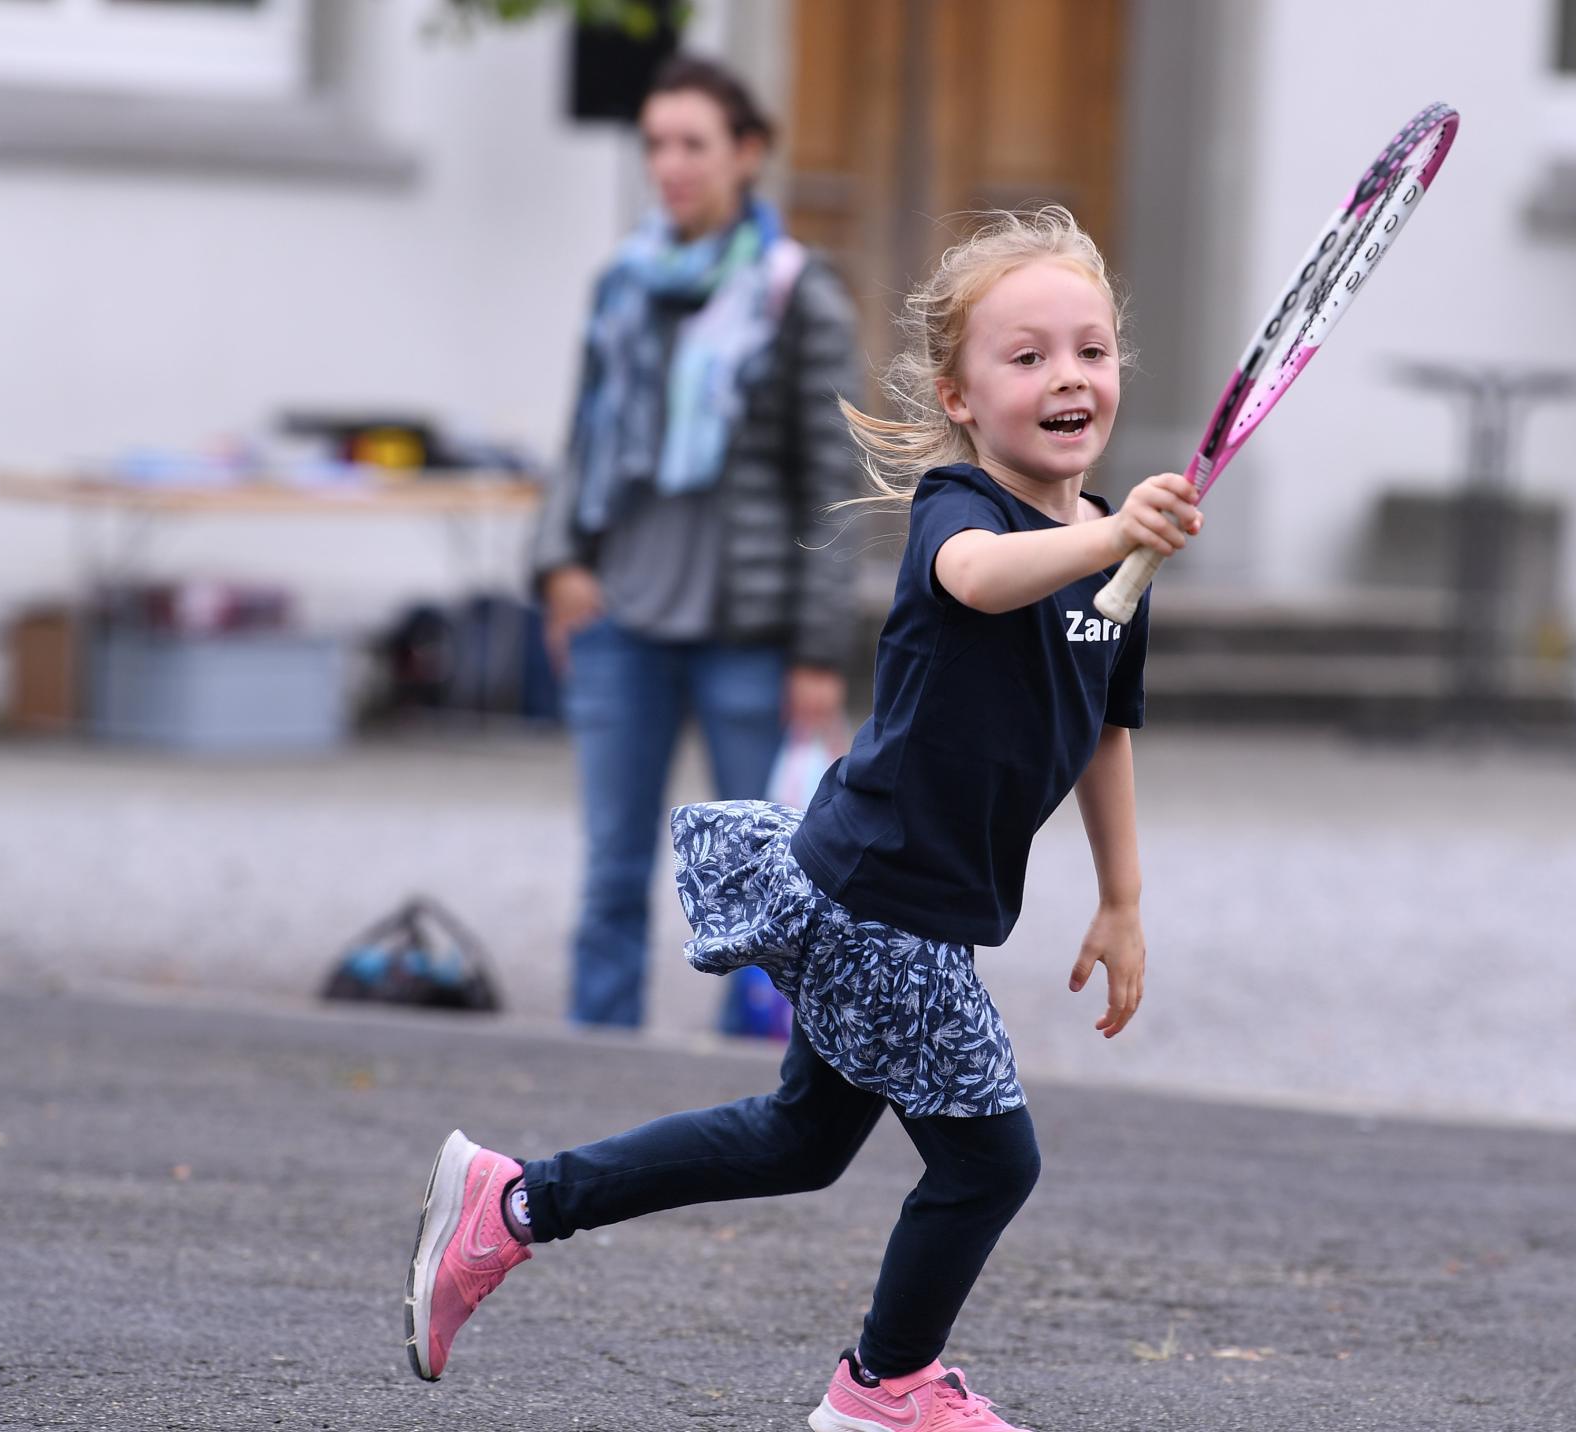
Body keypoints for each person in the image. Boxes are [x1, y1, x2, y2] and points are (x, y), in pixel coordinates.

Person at [407, 207, 1205, 1431]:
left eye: (1090, 351)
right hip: (883, 896)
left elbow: (1106, 724)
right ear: (960, 394)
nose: (1067, 378)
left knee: (799, 1139)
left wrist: (1123, 894)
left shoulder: (1113, 558)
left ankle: (511, 1204)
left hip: (904, 895)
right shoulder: (964, 508)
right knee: (993, 1162)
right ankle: (884, 1386)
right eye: (1028, 356)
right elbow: (979, 582)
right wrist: (1114, 533)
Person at [531, 55, 859, 1029]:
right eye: (656, 145)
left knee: (758, 887)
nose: (670, 165)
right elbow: (581, 438)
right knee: (611, 873)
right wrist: (559, 564)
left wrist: (816, 651)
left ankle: (746, 1108)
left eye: (693, 144)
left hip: (745, 635)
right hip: (619, 621)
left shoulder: (800, 295)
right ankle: (596, 1088)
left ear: (748, 154)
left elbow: (830, 485)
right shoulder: (623, 283)